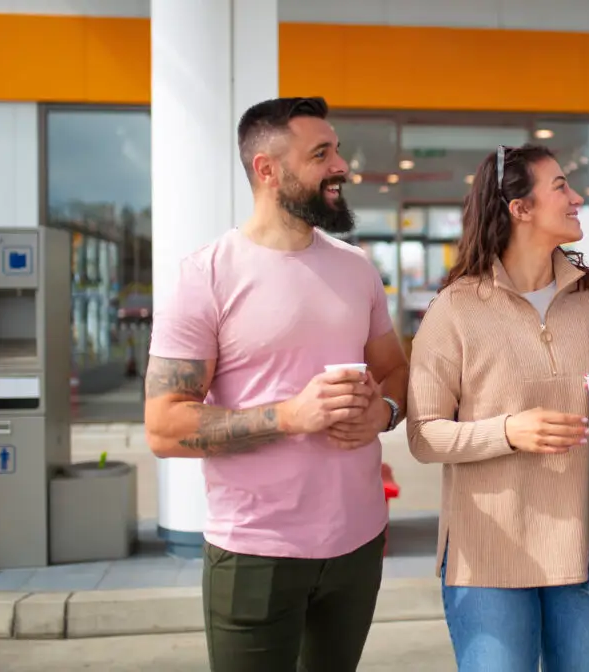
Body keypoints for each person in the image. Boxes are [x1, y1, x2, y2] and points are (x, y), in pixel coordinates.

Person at [144, 96, 409, 672]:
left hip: (359, 545)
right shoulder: (206, 275)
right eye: (322, 153)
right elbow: (164, 426)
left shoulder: (355, 267)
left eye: (337, 150)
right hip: (254, 552)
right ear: (267, 170)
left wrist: (385, 411)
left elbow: (395, 368)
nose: (341, 165)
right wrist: (290, 415)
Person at [406, 143, 589, 672]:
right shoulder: (455, 309)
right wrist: (508, 431)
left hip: (588, 549)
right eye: (561, 186)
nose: (578, 197)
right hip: (485, 554)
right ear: (520, 209)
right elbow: (424, 436)